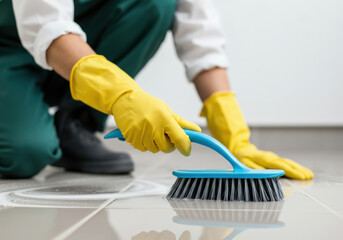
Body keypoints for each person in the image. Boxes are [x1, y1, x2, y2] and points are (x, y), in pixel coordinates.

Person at [0, 0, 313, 180]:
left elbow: (198, 30)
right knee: (23, 155)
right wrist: (120, 95)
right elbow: (45, 25)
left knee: (156, 3)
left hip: (78, 43)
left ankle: (76, 124)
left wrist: (232, 132)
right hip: (9, 46)